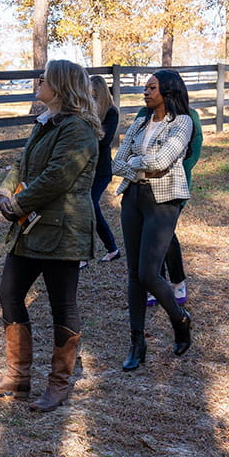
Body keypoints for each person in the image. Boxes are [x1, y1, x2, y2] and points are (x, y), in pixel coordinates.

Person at [0, 59, 100, 412]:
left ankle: (58, 384)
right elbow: (21, 164)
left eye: (44, 78)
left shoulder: (78, 129)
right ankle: (18, 377)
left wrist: (16, 204)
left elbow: (56, 177)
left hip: (63, 231)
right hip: (30, 228)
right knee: (9, 292)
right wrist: (4, 192)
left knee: (63, 305)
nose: (38, 81)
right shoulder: (47, 123)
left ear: (59, 87)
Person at [112, 69, 194, 371]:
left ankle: (180, 319)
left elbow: (164, 161)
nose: (145, 93)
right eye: (145, 88)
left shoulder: (182, 123)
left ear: (168, 91)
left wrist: (136, 163)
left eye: (151, 88)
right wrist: (141, 166)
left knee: (149, 272)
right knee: (134, 273)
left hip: (163, 202)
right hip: (133, 198)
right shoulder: (140, 122)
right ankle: (137, 342)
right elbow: (116, 163)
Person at [136, 81, 202, 306]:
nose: (147, 92)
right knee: (147, 236)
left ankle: (177, 281)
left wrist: (170, 174)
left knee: (166, 236)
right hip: (142, 185)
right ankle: (157, 283)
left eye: (154, 87)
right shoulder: (143, 114)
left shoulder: (189, 117)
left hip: (172, 185)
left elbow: (193, 152)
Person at [82, 75, 121, 268]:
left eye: (93, 93)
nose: (90, 96)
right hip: (84, 168)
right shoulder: (85, 111)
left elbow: (104, 139)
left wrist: (85, 136)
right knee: (86, 207)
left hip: (102, 170)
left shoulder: (111, 112)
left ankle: (86, 254)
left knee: (89, 206)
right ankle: (112, 248)